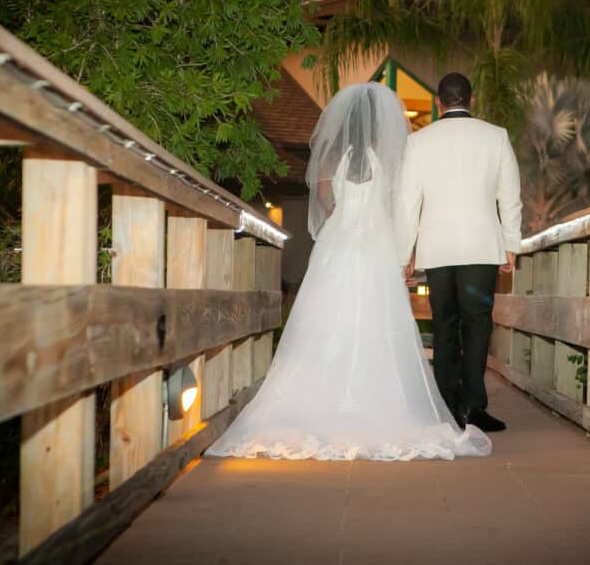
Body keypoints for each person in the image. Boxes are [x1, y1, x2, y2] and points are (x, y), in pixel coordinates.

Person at [206, 82, 491, 461]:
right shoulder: (387, 159)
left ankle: (318, 398)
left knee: (326, 321)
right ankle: (380, 403)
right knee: (377, 323)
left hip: (338, 244)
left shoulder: (331, 157)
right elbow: (398, 204)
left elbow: (324, 201)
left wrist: (342, 215)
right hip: (376, 245)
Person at [394, 72, 522, 432]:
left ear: (438, 102)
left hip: (438, 248)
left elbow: (407, 203)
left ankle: (446, 405)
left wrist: (404, 254)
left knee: (445, 325)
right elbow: (509, 196)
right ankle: (474, 407)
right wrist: (512, 244)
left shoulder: (419, 142)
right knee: (477, 325)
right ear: (472, 99)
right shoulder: (496, 137)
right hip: (482, 247)